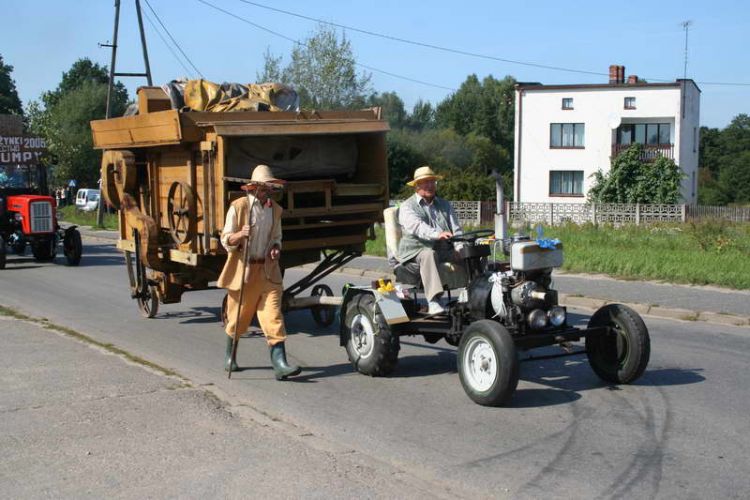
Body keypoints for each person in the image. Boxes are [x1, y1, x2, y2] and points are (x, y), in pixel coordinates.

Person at [217, 164, 301, 380]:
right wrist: (238, 235)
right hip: (244, 271)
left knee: (273, 316)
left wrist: (275, 248)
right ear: (253, 188)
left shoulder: (276, 210)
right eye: (263, 188)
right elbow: (225, 240)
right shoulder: (238, 207)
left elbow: (277, 237)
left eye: (269, 188)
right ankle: (230, 357)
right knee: (238, 318)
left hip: (268, 270)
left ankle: (280, 365)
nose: (267, 192)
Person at [397, 165, 464, 315]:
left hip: (442, 250)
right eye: (425, 182)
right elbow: (418, 227)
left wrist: (460, 247)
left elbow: (457, 229)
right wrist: (438, 234)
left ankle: (475, 295)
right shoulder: (407, 207)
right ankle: (433, 301)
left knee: (473, 252)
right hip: (414, 251)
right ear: (417, 185)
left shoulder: (445, 205)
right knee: (428, 254)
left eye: (432, 182)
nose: (430, 185)